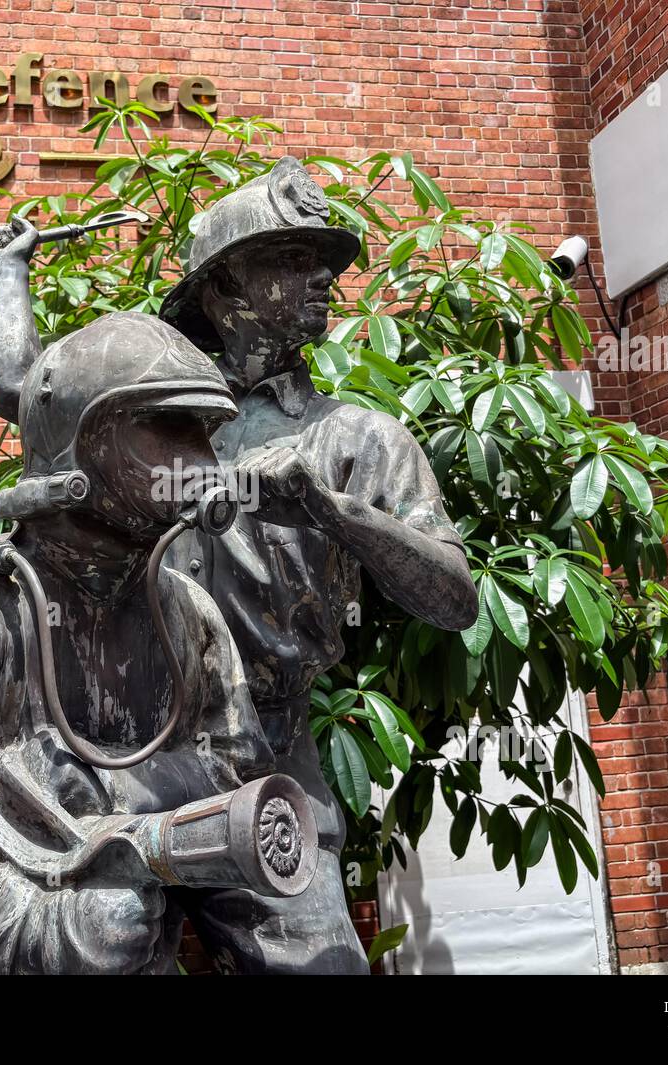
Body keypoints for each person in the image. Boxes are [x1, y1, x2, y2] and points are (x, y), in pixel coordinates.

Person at [0, 311, 277, 974]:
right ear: (80, 446)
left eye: (205, 435)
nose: (205, 464)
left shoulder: (190, 620)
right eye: (168, 430)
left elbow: (238, 814)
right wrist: (39, 925)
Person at [155, 156, 480, 973]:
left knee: (319, 964)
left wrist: (342, 515)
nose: (324, 279)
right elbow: (28, 395)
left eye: (326, 264)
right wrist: (6, 274)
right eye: (292, 260)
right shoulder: (151, 417)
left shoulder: (360, 438)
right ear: (224, 294)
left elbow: (455, 596)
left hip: (268, 749)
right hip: (128, 744)